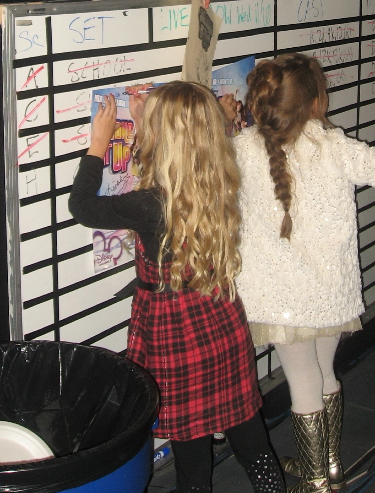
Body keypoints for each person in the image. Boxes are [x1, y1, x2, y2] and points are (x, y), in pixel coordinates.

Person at [69, 83, 286, 493]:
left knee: (192, 460)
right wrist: (143, 125)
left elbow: (81, 206)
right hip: (220, 319)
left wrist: (99, 145)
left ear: (159, 139)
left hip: (177, 334)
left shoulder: (149, 204)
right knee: (250, 437)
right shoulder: (219, 179)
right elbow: (176, 158)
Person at [234, 54, 375, 491]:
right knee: (323, 372)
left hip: (281, 299)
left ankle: (317, 481)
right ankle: (329, 463)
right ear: (317, 102)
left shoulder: (243, 148)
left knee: (303, 384)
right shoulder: (333, 145)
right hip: (330, 293)